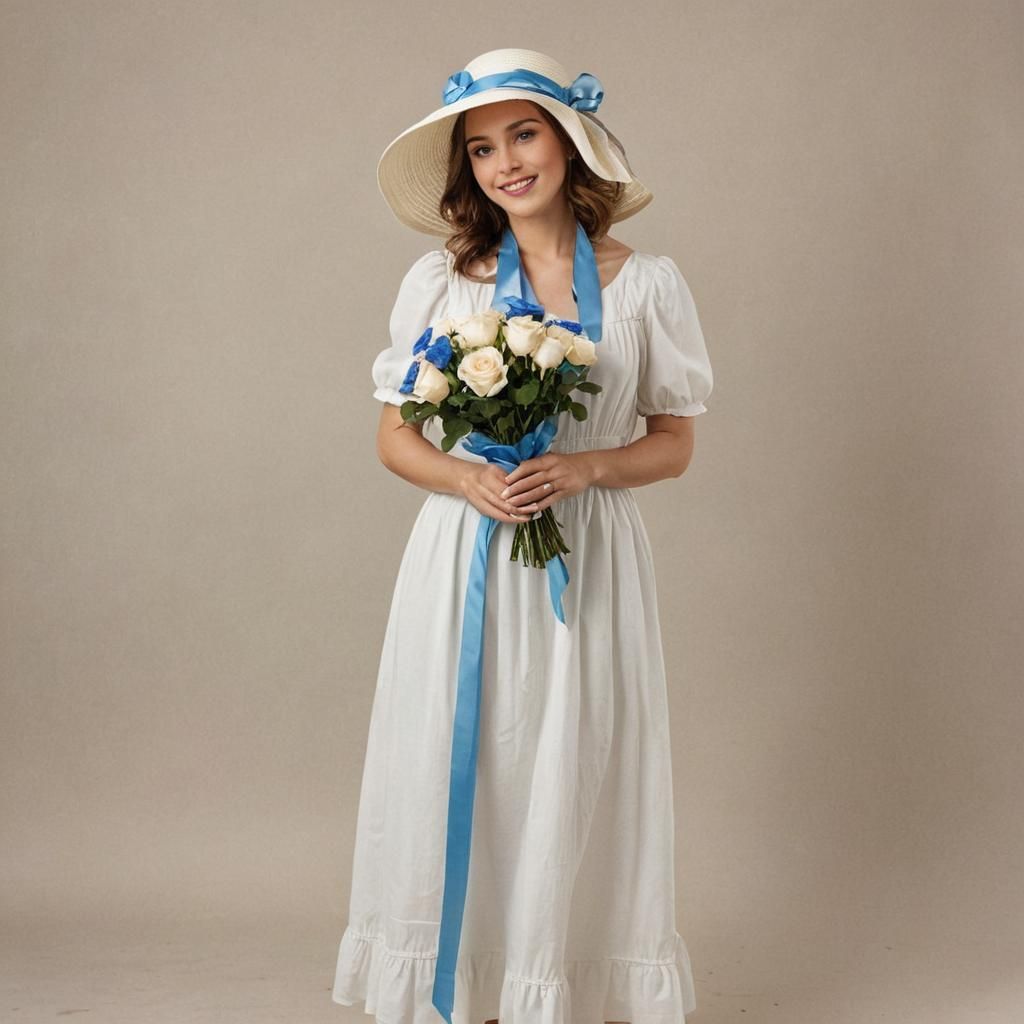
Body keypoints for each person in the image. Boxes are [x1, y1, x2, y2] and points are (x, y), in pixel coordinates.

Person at [331, 47, 713, 1024]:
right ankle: (469, 985)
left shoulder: (645, 285)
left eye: (525, 134)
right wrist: (469, 477)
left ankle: (557, 981)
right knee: (465, 753)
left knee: (577, 754)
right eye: (483, 147)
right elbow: (394, 437)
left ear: (569, 143)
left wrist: (585, 468)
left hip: (589, 553)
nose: (506, 162)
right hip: (465, 551)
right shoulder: (444, 282)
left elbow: (673, 443)